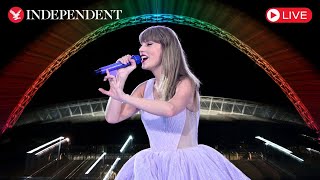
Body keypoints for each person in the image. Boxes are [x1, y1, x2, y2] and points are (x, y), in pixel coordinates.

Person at [98, 25, 250, 180]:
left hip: (188, 165)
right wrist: (120, 79)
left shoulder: (186, 82)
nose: (141, 49)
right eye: (141, 44)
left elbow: (170, 109)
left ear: (167, 49)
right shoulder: (144, 88)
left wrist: (124, 96)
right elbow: (112, 118)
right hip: (153, 166)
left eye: (148, 44)